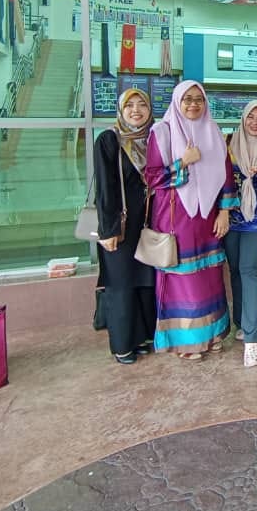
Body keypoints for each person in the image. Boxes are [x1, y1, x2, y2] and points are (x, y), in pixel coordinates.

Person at [144, 80, 237, 360]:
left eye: (199, 99)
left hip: (208, 220)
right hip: (175, 220)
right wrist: (182, 162)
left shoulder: (213, 132)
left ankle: (213, 335)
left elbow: (227, 175)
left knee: (210, 279)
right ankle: (186, 343)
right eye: (187, 99)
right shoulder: (161, 133)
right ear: (177, 102)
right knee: (183, 282)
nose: (194, 104)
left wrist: (224, 211)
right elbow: (151, 177)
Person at [94, 88, 155, 365]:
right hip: (119, 225)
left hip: (146, 223)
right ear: (120, 110)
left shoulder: (152, 139)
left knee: (143, 281)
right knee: (121, 283)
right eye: (129, 105)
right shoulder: (110, 140)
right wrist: (108, 230)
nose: (136, 111)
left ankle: (140, 337)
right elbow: (105, 188)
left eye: (142, 105)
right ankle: (122, 344)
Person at [225, 100, 257, 368]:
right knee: (235, 269)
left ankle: (253, 339)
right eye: (250, 117)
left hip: (256, 217)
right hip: (229, 216)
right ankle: (242, 322)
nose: (255, 122)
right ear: (243, 119)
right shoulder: (228, 144)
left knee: (249, 269)